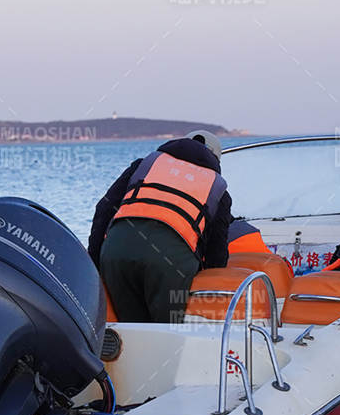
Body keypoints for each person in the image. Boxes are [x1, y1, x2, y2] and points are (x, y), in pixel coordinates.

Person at [86, 130, 233, 322]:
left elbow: (104, 208)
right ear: (216, 160)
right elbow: (217, 252)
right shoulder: (217, 188)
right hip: (171, 262)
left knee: (132, 332)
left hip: (117, 250)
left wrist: (94, 263)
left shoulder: (144, 165)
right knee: (166, 335)